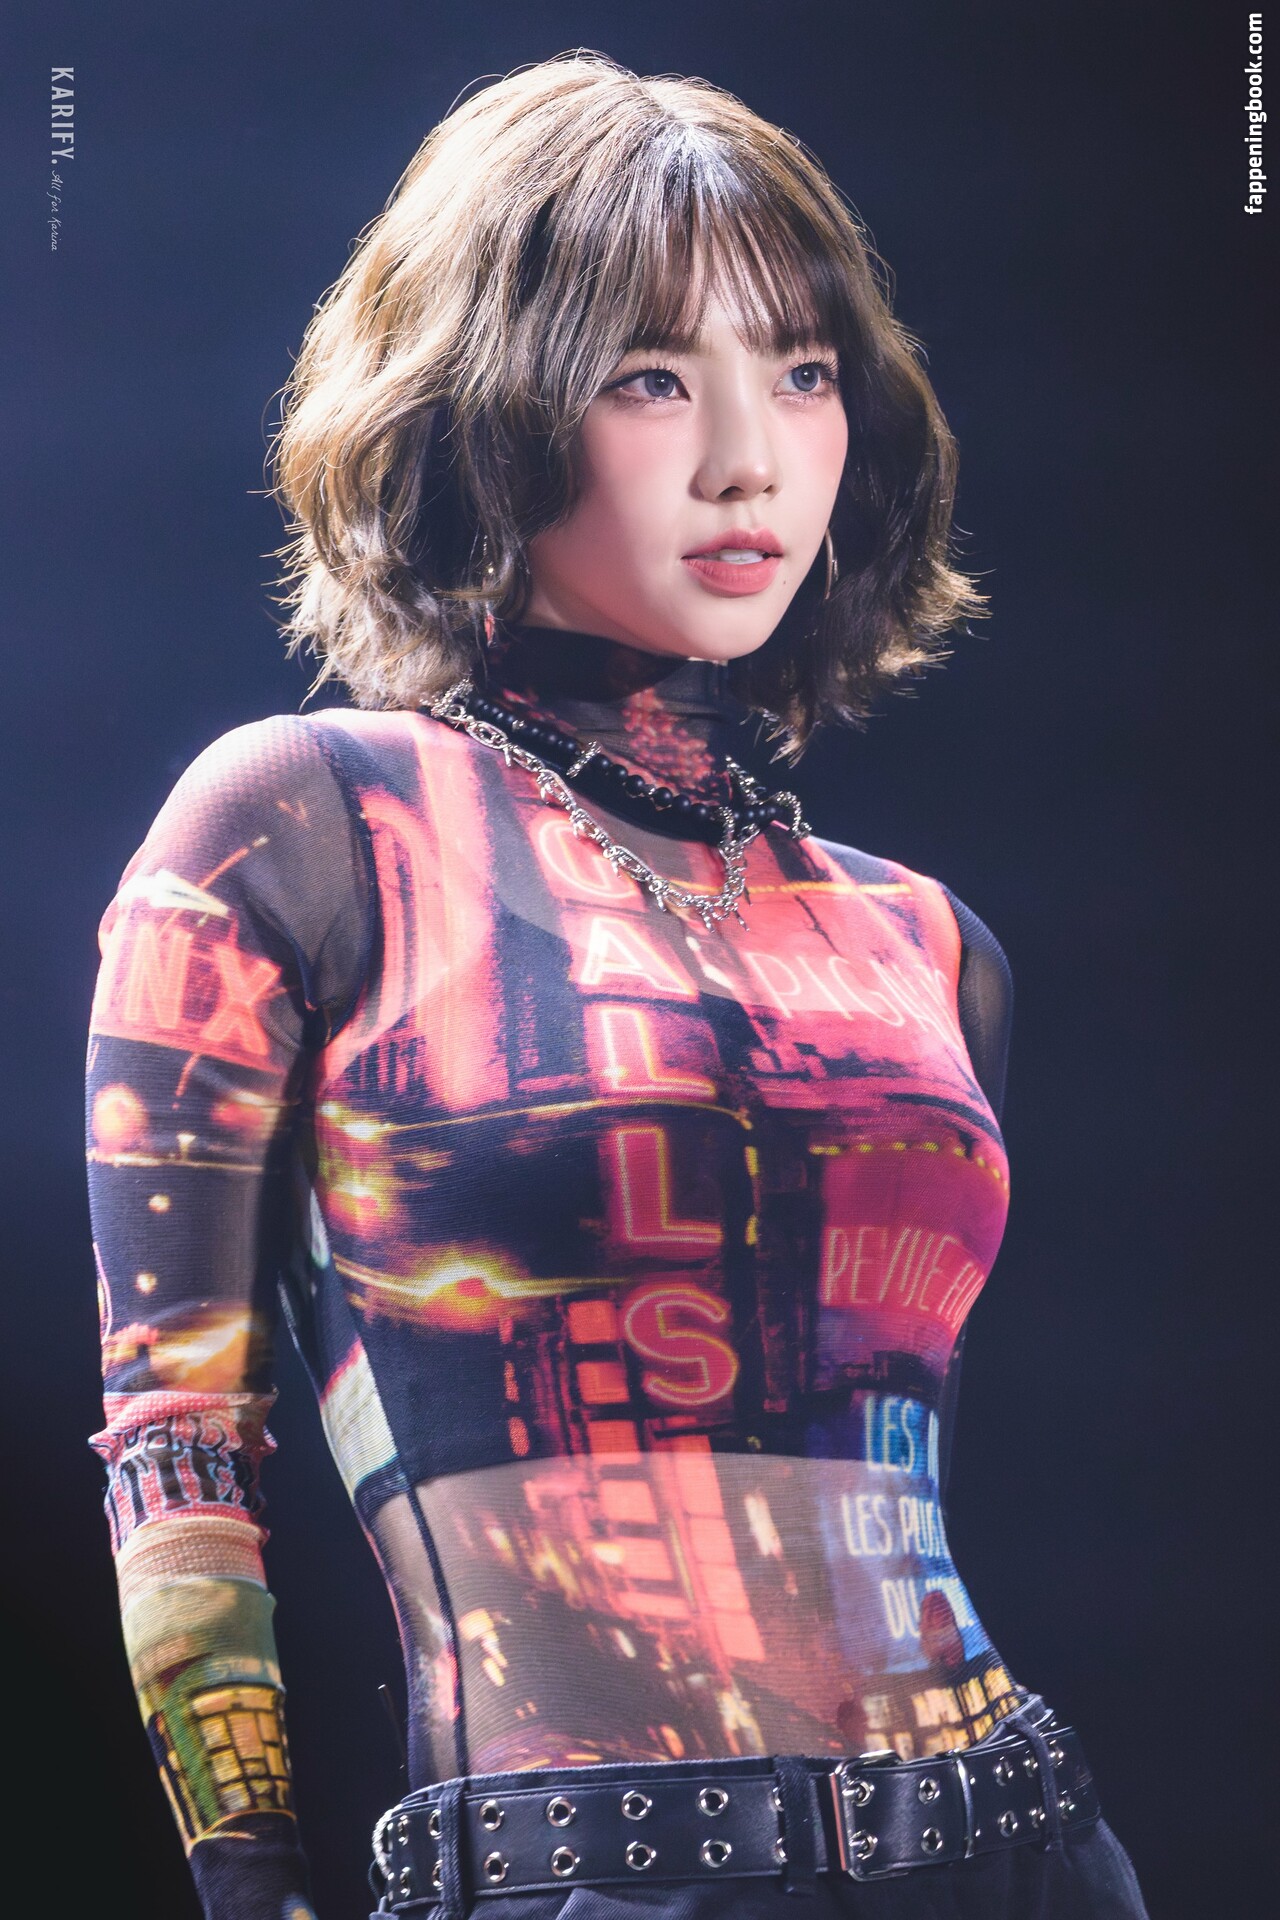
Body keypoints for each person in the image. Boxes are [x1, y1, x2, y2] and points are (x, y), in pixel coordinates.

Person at [84, 52, 1149, 1920]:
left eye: (801, 371)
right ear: (481, 406)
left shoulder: (924, 942)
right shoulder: (307, 825)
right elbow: (177, 1448)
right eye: (651, 375)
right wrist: (251, 1889)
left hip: (1023, 1856)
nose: (750, 454)